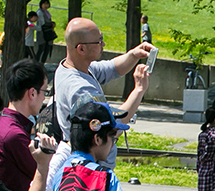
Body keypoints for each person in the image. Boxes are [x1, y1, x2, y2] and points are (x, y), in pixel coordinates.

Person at [54, 18, 155, 167]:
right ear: (81, 49)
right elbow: (113, 124)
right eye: (99, 41)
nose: (103, 44)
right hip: (92, 171)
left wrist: (134, 55)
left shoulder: (72, 67)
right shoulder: (81, 89)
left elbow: (112, 68)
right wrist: (139, 89)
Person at [0, 59, 48, 191]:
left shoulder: (1, 121)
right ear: (32, 93)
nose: (44, 99)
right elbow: (41, 176)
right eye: (44, 92)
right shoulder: (14, 134)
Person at [36, 0, 56, 64]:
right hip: (42, 33)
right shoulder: (40, 12)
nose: (46, 5)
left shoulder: (47, 12)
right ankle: (36, 63)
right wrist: (50, 24)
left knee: (47, 49)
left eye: (47, 3)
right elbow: (42, 23)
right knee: (41, 49)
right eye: (44, 3)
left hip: (47, 33)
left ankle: (42, 63)